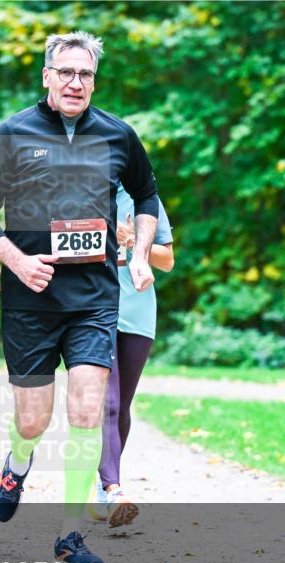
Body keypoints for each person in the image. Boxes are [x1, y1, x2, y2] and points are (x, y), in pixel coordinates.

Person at [0, 32, 159, 563]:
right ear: (47, 76)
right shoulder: (14, 134)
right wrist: (16, 260)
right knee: (32, 419)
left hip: (94, 296)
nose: (77, 83)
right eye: (66, 72)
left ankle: (69, 534)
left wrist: (139, 252)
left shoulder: (118, 134)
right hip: (30, 298)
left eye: (86, 75)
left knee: (88, 409)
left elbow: (146, 196)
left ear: (95, 80)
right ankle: (16, 464)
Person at [90, 183, 174, 528]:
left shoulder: (145, 202)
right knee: (107, 402)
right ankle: (114, 488)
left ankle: (102, 485)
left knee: (121, 405)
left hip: (138, 313)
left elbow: (167, 260)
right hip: (93, 309)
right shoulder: (79, 193)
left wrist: (133, 240)